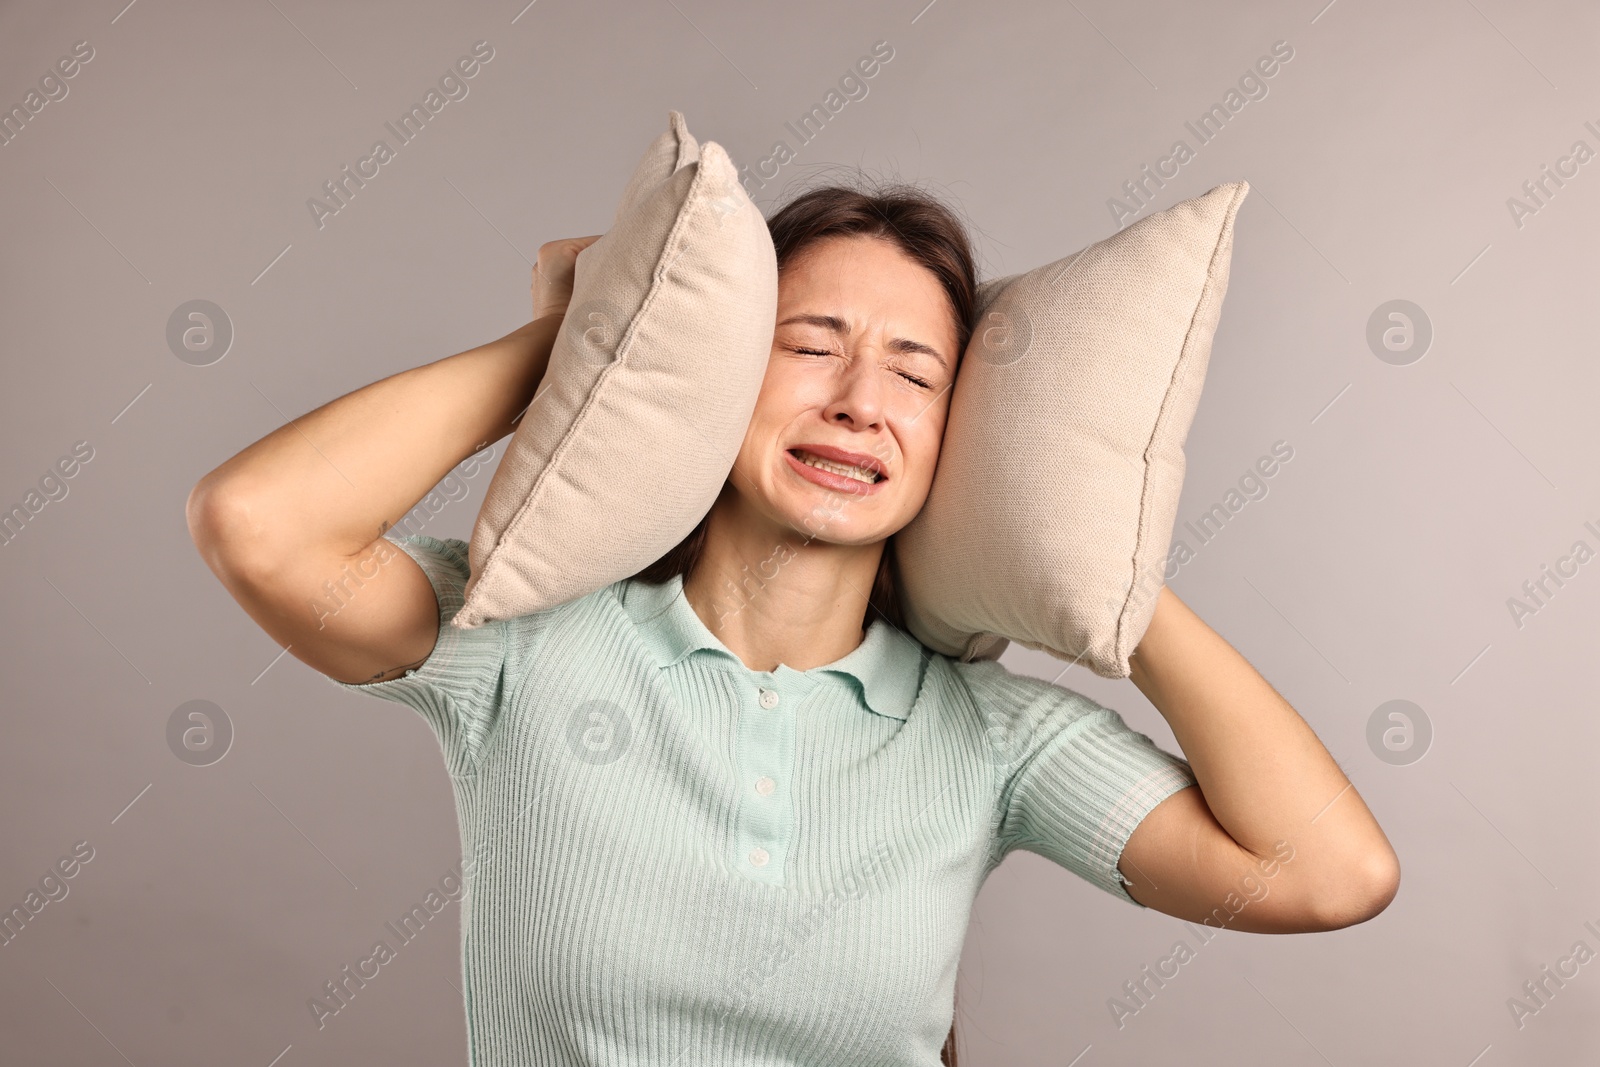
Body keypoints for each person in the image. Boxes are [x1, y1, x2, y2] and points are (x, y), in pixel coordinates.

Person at [186, 179, 1400, 1066]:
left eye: (917, 375)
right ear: (715, 379)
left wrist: (1095, 548)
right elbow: (260, 524)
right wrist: (590, 338)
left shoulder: (987, 736)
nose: (862, 402)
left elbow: (1329, 873)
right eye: (808, 347)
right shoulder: (522, 637)